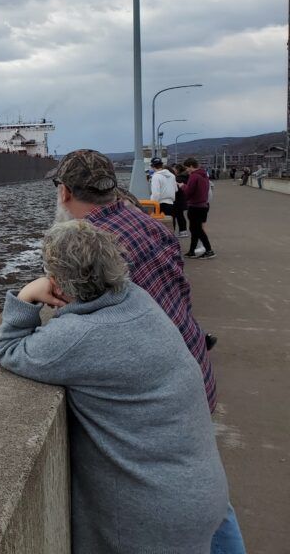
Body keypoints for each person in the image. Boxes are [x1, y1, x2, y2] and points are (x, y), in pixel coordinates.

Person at [0, 220, 229, 554]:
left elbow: (9, 350)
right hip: (198, 489)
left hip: (152, 515)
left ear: (59, 281)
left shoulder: (79, 337)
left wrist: (26, 295)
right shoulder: (137, 299)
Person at [50, 149, 240, 550]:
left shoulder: (93, 247)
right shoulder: (143, 220)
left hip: (158, 391)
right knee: (207, 491)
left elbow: (83, 324)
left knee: (188, 496)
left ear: (65, 192)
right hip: (192, 368)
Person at [182, 157, 215, 260]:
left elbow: (188, 192)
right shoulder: (204, 176)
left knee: (197, 230)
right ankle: (192, 251)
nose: (186, 170)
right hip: (203, 206)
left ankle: (209, 250)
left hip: (195, 206)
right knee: (195, 229)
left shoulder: (194, 176)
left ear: (191, 166)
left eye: (187, 168)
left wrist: (182, 186)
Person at [149, 158, 183, 235]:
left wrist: (152, 203)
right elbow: (176, 189)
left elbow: (156, 194)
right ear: (162, 165)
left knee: (160, 227)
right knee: (170, 225)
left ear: (152, 166)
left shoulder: (156, 177)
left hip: (160, 205)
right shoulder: (172, 176)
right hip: (171, 203)